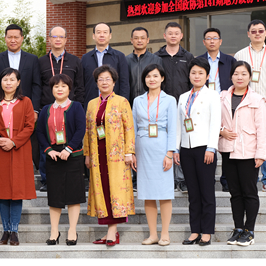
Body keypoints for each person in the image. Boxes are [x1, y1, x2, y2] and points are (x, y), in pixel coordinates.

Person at [84, 65, 135, 247]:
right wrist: (87, 154)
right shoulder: (91, 104)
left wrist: (129, 152)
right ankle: (109, 231)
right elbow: (88, 130)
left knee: (115, 190)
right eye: (100, 79)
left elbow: (129, 128)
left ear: (114, 82)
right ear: (96, 82)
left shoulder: (122, 102)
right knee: (103, 190)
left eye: (107, 79)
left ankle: (112, 231)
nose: (104, 82)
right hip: (97, 154)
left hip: (117, 155)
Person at [0, 68, 37, 246]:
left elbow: (29, 126)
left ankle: (14, 230)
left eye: (12, 79)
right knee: (3, 192)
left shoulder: (26, 102)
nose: (8, 83)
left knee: (17, 192)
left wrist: (13, 142)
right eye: (5, 79)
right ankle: (5, 230)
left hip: (19, 149)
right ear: (0, 82)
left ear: (18, 82)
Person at [218, 62, 266, 247]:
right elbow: (214, 120)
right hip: (228, 151)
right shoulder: (222, 97)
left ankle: (249, 231)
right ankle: (238, 228)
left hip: (249, 152)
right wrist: (221, 131)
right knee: (235, 193)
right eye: (236, 73)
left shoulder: (257, 99)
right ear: (231, 76)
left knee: (249, 192)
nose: (240, 77)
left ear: (250, 77)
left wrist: (260, 153)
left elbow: (263, 128)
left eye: (244, 73)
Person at [233, 19, 266, 193]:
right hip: (246, 106)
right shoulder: (240, 55)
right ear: (248, 34)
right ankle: (250, 180)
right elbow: (236, 79)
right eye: (253, 31)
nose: (257, 34)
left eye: (260, 31)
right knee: (248, 144)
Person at [174, 57, 221, 246]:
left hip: (204, 148)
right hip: (186, 148)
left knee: (207, 192)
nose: (196, 76)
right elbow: (179, 124)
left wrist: (211, 147)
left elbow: (215, 122)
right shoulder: (183, 97)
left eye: (201, 73)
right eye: (193, 72)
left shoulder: (213, 95)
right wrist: (176, 148)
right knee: (193, 193)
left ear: (207, 76)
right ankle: (195, 230)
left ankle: (207, 231)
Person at [130, 63, 177, 247]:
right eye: (148, 76)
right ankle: (152, 234)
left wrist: (170, 153)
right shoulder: (137, 100)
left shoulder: (170, 100)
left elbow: (173, 128)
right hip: (143, 148)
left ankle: (165, 233)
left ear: (162, 78)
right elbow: (132, 127)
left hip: (162, 147)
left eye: (156, 76)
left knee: (164, 193)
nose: (152, 79)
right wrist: (132, 151)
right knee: (148, 193)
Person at [0, 24, 43, 189]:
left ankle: (34, 175)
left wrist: (34, 109)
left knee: (27, 145)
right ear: (5, 38)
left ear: (22, 38)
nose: (13, 40)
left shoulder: (32, 59)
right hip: (2, 108)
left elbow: (36, 85)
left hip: (25, 109)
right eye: (9, 37)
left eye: (16, 37)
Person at [36, 74, 86, 246]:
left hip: (73, 155)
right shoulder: (46, 109)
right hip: (53, 157)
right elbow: (40, 132)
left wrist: (69, 149)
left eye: (63, 86)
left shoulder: (76, 107)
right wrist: (48, 150)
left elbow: (81, 129)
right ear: (51, 89)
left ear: (69, 89)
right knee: (54, 196)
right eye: (56, 86)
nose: (59, 89)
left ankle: (72, 230)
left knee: (73, 195)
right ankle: (54, 231)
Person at [155, 22, 194, 193]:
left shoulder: (188, 57)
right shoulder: (157, 57)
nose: (173, 36)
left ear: (181, 36)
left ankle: (182, 179)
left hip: (183, 106)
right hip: (162, 106)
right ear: (165, 36)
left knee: (182, 141)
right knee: (166, 141)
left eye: (176, 33)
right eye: (170, 33)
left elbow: (193, 80)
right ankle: (167, 177)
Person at [199, 27, 237, 192]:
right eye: (208, 38)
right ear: (204, 42)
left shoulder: (230, 60)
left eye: (215, 38)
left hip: (225, 104)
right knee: (206, 139)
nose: (212, 41)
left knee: (226, 141)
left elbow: (237, 80)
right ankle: (208, 179)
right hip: (204, 103)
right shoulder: (199, 60)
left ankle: (226, 180)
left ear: (220, 41)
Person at [81, 23, 130, 102]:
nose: (102, 35)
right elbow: (81, 85)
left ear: (110, 35)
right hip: (91, 103)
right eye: (98, 32)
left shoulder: (119, 56)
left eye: (105, 32)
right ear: (93, 36)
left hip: (114, 104)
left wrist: (123, 102)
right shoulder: (85, 58)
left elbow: (124, 84)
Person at [39, 25, 85, 106]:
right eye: (54, 37)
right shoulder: (41, 62)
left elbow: (80, 87)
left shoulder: (75, 61)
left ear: (65, 40)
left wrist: (79, 106)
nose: (58, 39)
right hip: (47, 107)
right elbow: (38, 87)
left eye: (61, 37)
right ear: (49, 39)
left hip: (70, 108)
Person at [127, 27, 162, 101]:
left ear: (147, 40)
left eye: (142, 38)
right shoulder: (125, 60)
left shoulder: (156, 60)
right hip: (129, 102)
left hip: (151, 101)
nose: (139, 40)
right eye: (136, 38)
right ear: (131, 40)